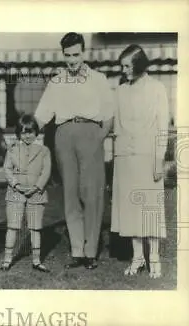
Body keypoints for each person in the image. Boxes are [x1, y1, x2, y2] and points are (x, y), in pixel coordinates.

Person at [34, 32, 114, 270]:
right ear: (63, 55)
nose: (72, 60)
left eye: (76, 55)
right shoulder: (57, 81)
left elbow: (109, 115)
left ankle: (91, 251)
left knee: (91, 194)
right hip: (64, 136)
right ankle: (77, 251)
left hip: (91, 133)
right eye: (67, 56)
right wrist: (24, 134)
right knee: (70, 194)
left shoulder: (98, 79)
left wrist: (98, 137)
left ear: (84, 52)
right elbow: (42, 115)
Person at [111, 44, 169, 278]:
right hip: (125, 157)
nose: (123, 70)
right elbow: (117, 128)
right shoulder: (121, 91)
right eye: (122, 66)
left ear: (139, 64)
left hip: (148, 157)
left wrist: (158, 159)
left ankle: (153, 258)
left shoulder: (157, 88)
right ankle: (138, 258)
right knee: (131, 210)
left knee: (149, 208)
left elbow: (162, 127)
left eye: (127, 66)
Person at [1, 114, 51, 272]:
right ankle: (7, 259)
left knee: (35, 228)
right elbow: (7, 168)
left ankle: (36, 261)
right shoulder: (13, 150)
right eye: (24, 132)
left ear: (36, 132)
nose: (27, 136)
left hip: (37, 193)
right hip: (16, 192)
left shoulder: (44, 150)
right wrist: (16, 184)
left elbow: (46, 171)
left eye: (30, 132)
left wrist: (37, 186)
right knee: (13, 226)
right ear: (18, 133)